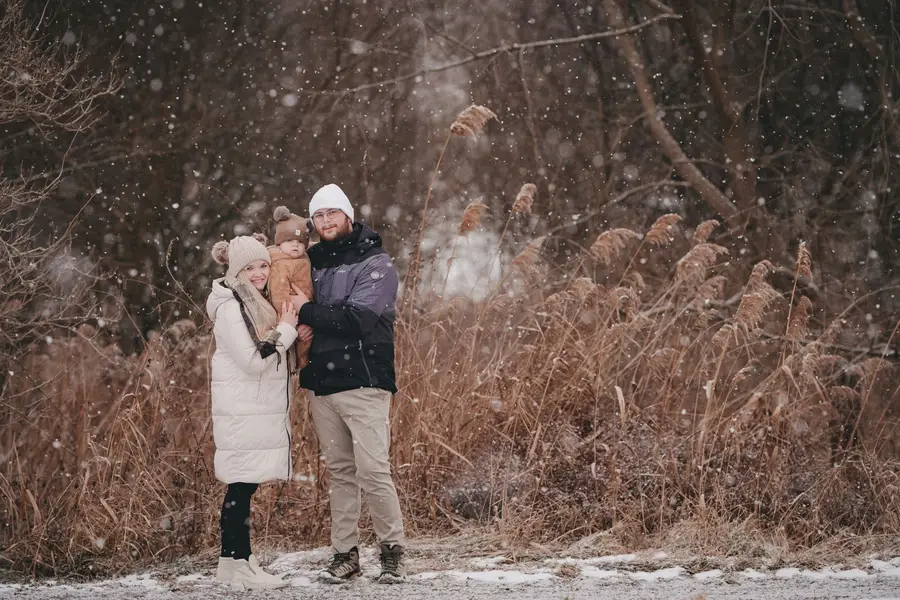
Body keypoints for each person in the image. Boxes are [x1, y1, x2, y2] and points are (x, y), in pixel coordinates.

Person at [289, 183, 407, 584]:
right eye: (318, 215)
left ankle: (392, 554)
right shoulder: (311, 263)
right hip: (322, 382)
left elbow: (358, 319)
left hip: (365, 379)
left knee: (374, 470)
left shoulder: (376, 263)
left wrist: (308, 310)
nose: (325, 221)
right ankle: (345, 556)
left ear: (348, 216)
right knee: (340, 472)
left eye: (332, 213)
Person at [206, 233, 300, 590]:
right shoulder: (232, 307)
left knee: (243, 485)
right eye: (250, 267)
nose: (259, 273)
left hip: (248, 408)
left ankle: (232, 563)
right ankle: (239, 561)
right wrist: (287, 330)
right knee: (242, 487)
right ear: (235, 270)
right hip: (242, 409)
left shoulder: (248, 300)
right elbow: (253, 360)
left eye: (264, 265)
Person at [268, 205, 314, 370]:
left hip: (307, 309)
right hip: (291, 313)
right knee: (299, 344)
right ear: (279, 243)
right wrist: (288, 317)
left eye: (300, 242)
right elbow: (278, 292)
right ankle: (296, 366)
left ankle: (301, 368)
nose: (295, 246)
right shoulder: (280, 263)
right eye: (289, 241)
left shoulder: (303, 256)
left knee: (308, 343)